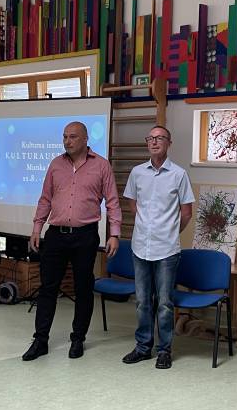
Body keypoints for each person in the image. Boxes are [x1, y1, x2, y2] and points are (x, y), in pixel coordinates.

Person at [22, 121, 122, 361]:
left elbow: (112, 202)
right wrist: (37, 227)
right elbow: (45, 198)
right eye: (65, 136)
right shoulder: (56, 164)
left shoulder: (101, 166)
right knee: (48, 288)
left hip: (85, 235)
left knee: (83, 288)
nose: (67, 141)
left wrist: (115, 234)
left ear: (86, 139)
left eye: (73, 137)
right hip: (56, 235)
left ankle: (78, 339)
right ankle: (40, 340)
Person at [121, 125, 194, 369]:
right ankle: (143, 347)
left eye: (159, 138)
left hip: (167, 249)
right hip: (140, 245)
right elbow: (132, 203)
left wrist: (169, 231)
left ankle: (164, 350)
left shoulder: (179, 174)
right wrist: (147, 226)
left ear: (169, 143)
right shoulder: (137, 172)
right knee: (142, 301)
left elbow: (186, 212)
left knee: (164, 303)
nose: (154, 142)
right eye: (150, 138)